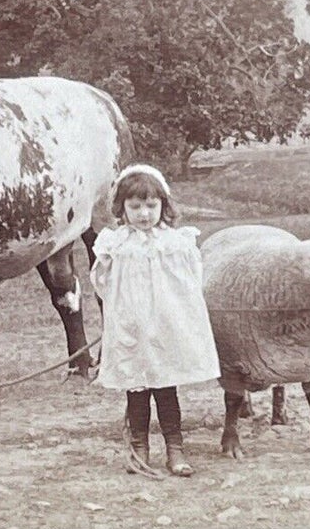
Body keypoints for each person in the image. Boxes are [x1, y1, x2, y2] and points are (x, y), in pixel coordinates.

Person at [90, 163, 220, 477]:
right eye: (135, 207)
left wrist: (178, 314)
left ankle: (175, 447)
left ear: (164, 205)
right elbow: (102, 283)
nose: (145, 214)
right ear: (121, 208)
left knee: (165, 388)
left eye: (152, 205)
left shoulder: (177, 243)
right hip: (132, 328)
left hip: (164, 327)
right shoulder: (116, 244)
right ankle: (139, 447)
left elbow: (190, 282)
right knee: (136, 391)